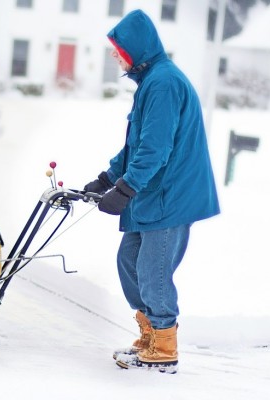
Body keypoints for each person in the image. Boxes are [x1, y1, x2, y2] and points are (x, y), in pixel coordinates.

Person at [83, 9, 220, 373]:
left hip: (171, 195)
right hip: (155, 190)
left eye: (118, 48)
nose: (114, 54)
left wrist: (125, 189)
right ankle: (149, 335)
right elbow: (138, 143)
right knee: (130, 261)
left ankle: (163, 349)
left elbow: (155, 149)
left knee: (153, 270)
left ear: (136, 49)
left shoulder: (163, 84)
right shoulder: (152, 81)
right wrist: (108, 176)